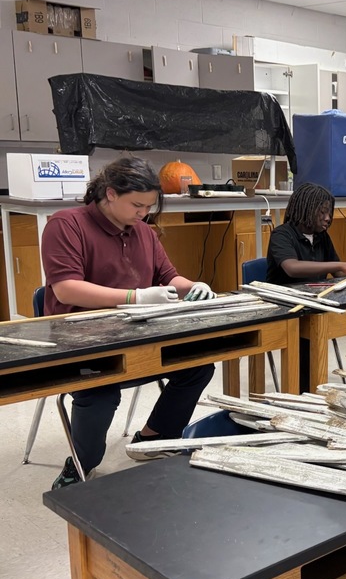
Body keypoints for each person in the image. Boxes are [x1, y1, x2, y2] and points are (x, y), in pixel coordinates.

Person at [41, 157, 217, 490]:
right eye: (137, 205)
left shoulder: (143, 233)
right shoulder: (66, 225)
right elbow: (65, 288)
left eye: (149, 206)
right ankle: (82, 462)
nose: (143, 214)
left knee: (197, 365)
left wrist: (192, 286)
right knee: (101, 392)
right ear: (109, 194)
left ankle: (155, 436)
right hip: (83, 340)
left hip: (139, 333)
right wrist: (134, 297)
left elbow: (169, 277)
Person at [266, 182, 346, 390]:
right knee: (307, 339)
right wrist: (341, 264)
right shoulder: (282, 235)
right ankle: (304, 393)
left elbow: (337, 272)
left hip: (318, 302)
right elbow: (292, 268)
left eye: (330, 213)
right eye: (322, 212)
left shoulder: (321, 237)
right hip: (290, 308)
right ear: (306, 209)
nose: (328, 218)